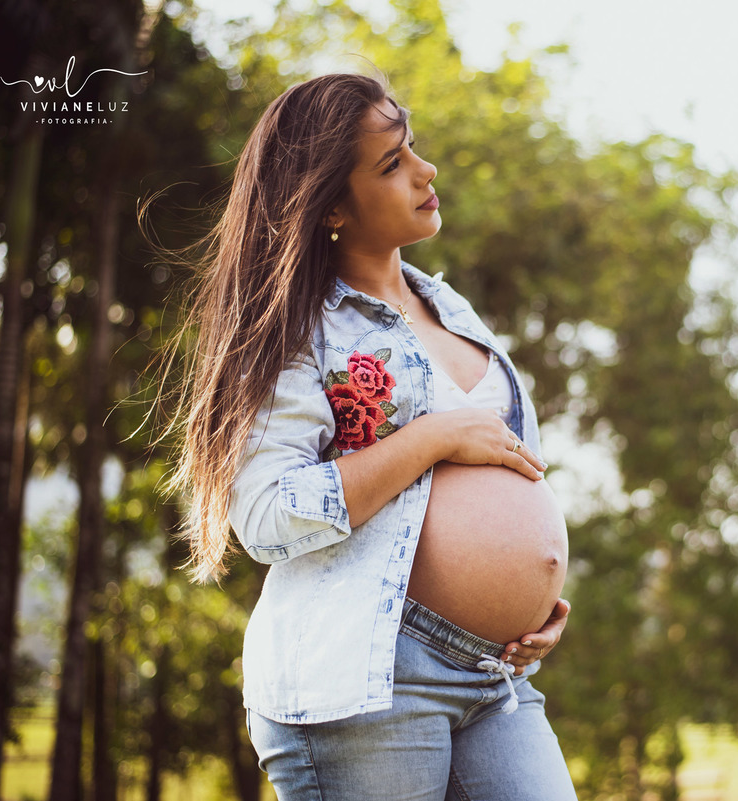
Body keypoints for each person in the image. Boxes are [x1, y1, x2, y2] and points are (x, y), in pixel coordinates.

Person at [168, 72, 577, 799]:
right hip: (368, 682)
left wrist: (537, 604)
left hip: (496, 676)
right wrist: (431, 439)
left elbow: (515, 467)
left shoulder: (448, 307)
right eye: (392, 164)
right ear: (329, 206)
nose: (426, 170)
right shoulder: (299, 332)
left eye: (412, 147)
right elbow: (264, 515)